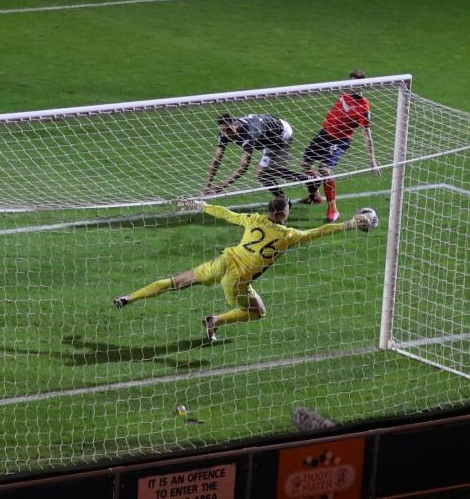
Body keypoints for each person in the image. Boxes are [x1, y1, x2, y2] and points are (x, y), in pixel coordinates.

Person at [114, 197, 371, 342]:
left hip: (224, 260)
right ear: (283, 214)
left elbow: (226, 213)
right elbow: (319, 232)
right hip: (237, 280)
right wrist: (350, 224)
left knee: (176, 281)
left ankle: (130, 297)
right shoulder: (290, 235)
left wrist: (201, 205)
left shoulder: (253, 218)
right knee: (258, 312)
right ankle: (215, 320)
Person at [299, 70, 381, 222]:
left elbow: (367, 135)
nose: (350, 86)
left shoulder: (364, 107)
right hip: (324, 133)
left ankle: (333, 209)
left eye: (354, 83)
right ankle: (315, 195)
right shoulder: (345, 94)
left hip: (340, 140)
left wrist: (373, 161)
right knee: (304, 165)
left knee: (324, 169)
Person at [202, 113, 308, 200]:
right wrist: (207, 186)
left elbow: (243, 168)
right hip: (267, 135)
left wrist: (220, 187)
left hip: (281, 134)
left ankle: (305, 183)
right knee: (267, 173)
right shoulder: (225, 133)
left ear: (236, 125)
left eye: (228, 130)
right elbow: (216, 160)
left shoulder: (249, 133)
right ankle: (308, 186)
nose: (226, 134)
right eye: (223, 131)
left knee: (262, 174)